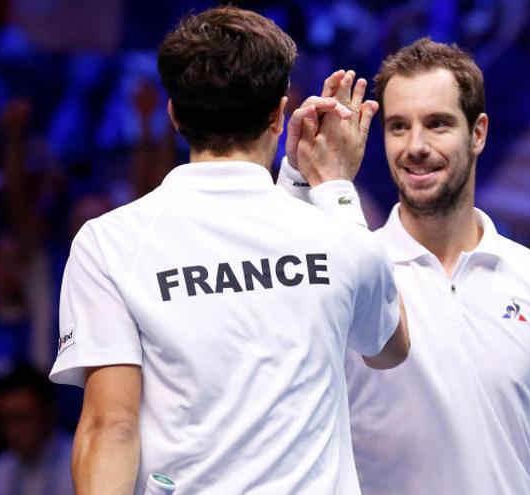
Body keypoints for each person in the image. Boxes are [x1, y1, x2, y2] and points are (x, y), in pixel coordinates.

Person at [49, 6, 409, 494]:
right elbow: (388, 346)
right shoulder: (337, 231)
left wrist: (304, 185)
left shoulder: (110, 241)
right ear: (279, 115)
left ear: (174, 114)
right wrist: (333, 187)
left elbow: (110, 427)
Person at [283, 38, 530, 494]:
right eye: (398, 127)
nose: (416, 146)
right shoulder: (345, 272)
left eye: (438, 124)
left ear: (478, 133)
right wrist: (294, 174)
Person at [0, 366, 73, 495]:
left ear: (48, 413)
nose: (12, 428)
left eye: (21, 417)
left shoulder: (78, 466)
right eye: (6, 418)